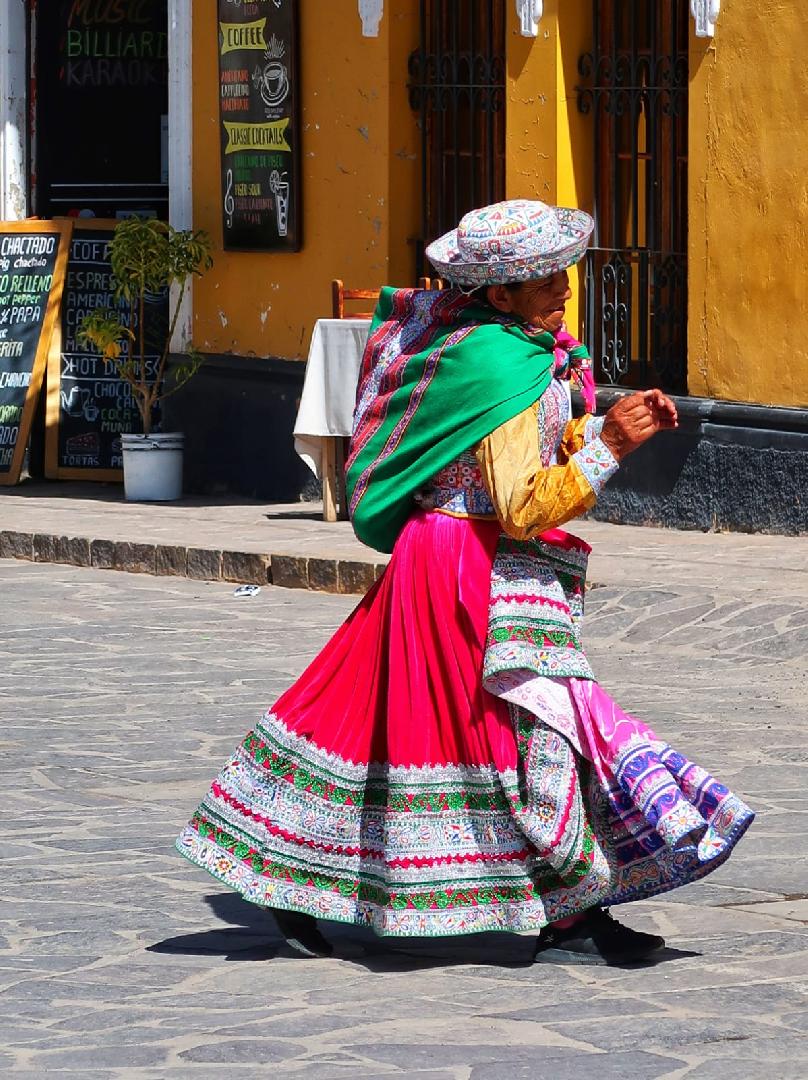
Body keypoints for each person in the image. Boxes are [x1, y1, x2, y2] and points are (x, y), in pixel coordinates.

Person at [177, 200, 753, 965]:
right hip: (464, 566)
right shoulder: (495, 362)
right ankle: (563, 908)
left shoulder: (507, 348)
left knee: (441, 729)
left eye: (562, 274)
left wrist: (600, 425)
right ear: (500, 293)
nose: (563, 290)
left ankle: (551, 906)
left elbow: (533, 440)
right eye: (544, 280)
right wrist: (610, 447)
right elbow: (520, 504)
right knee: (523, 730)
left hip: (471, 562)